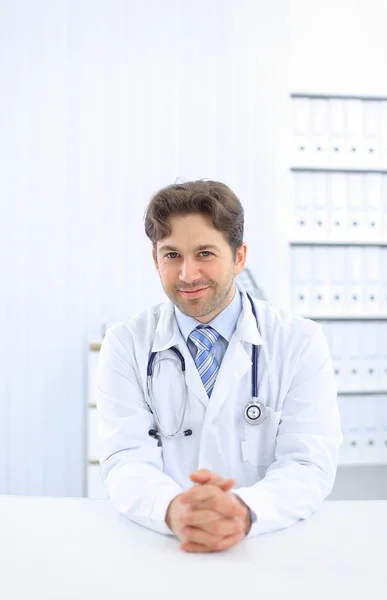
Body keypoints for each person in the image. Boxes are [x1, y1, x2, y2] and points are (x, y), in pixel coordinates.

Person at [96, 179, 342, 553]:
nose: (188, 275)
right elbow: (125, 459)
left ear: (239, 257)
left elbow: (308, 463)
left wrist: (245, 510)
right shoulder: (126, 343)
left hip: (266, 544)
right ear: (155, 258)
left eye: (205, 254)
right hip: (163, 545)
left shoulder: (300, 342)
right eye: (172, 255)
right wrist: (172, 508)